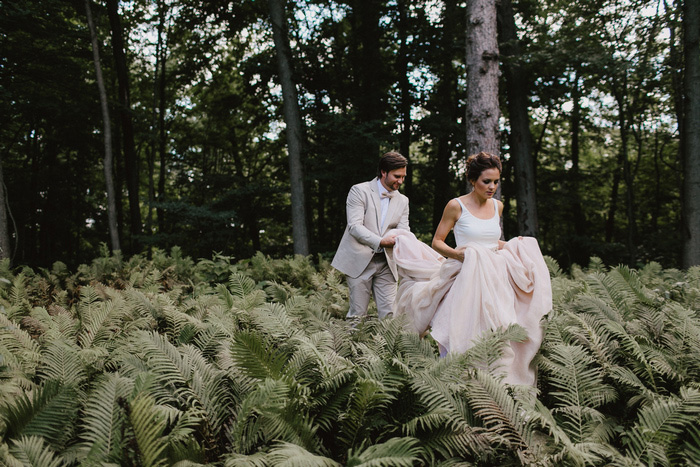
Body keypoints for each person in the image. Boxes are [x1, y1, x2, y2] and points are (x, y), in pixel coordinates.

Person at [390, 152, 551, 386]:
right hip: (464, 275)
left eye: (496, 181)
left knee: (499, 328)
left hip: (496, 276)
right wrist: (458, 255)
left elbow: (492, 241)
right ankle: (455, 382)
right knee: (462, 326)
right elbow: (438, 241)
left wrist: (516, 245)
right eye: (487, 181)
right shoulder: (456, 206)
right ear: (473, 180)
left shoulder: (498, 206)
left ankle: (493, 385)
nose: (492, 187)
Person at [331, 152, 410, 320]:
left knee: (390, 314)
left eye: (403, 177)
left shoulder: (403, 201)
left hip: (387, 263)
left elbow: (404, 230)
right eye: (397, 176)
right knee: (357, 315)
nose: (401, 181)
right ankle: (352, 346)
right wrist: (381, 241)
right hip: (359, 260)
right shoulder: (359, 191)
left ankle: (387, 347)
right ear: (383, 172)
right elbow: (354, 226)